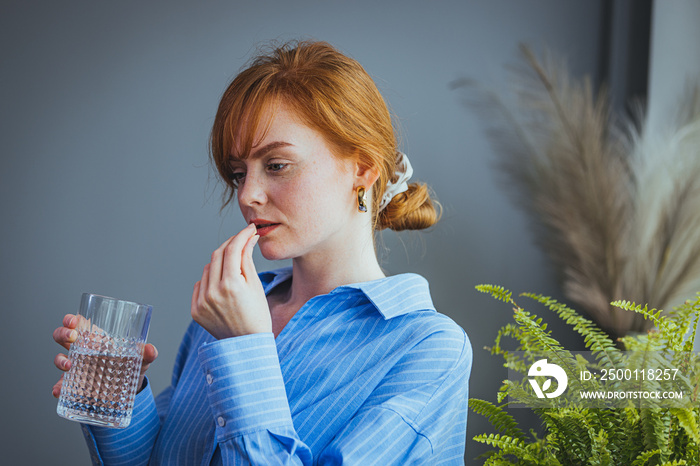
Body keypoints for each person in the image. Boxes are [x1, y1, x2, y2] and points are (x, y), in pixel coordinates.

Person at [52, 40, 472, 465]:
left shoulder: (427, 349)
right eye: (239, 173)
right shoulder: (227, 312)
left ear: (361, 168)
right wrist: (114, 394)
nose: (248, 196)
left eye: (276, 165)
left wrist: (245, 348)